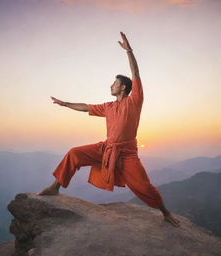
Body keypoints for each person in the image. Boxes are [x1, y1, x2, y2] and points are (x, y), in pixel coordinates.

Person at [37, 32, 181, 228]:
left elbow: (136, 74)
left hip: (127, 154)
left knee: (143, 186)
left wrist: (129, 51)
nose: (111, 85)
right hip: (106, 148)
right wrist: (65, 104)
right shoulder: (108, 107)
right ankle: (55, 187)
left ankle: (165, 212)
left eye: (114, 83)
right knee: (74, 154)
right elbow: (86, 107)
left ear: (123, 87)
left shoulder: (134, 101)